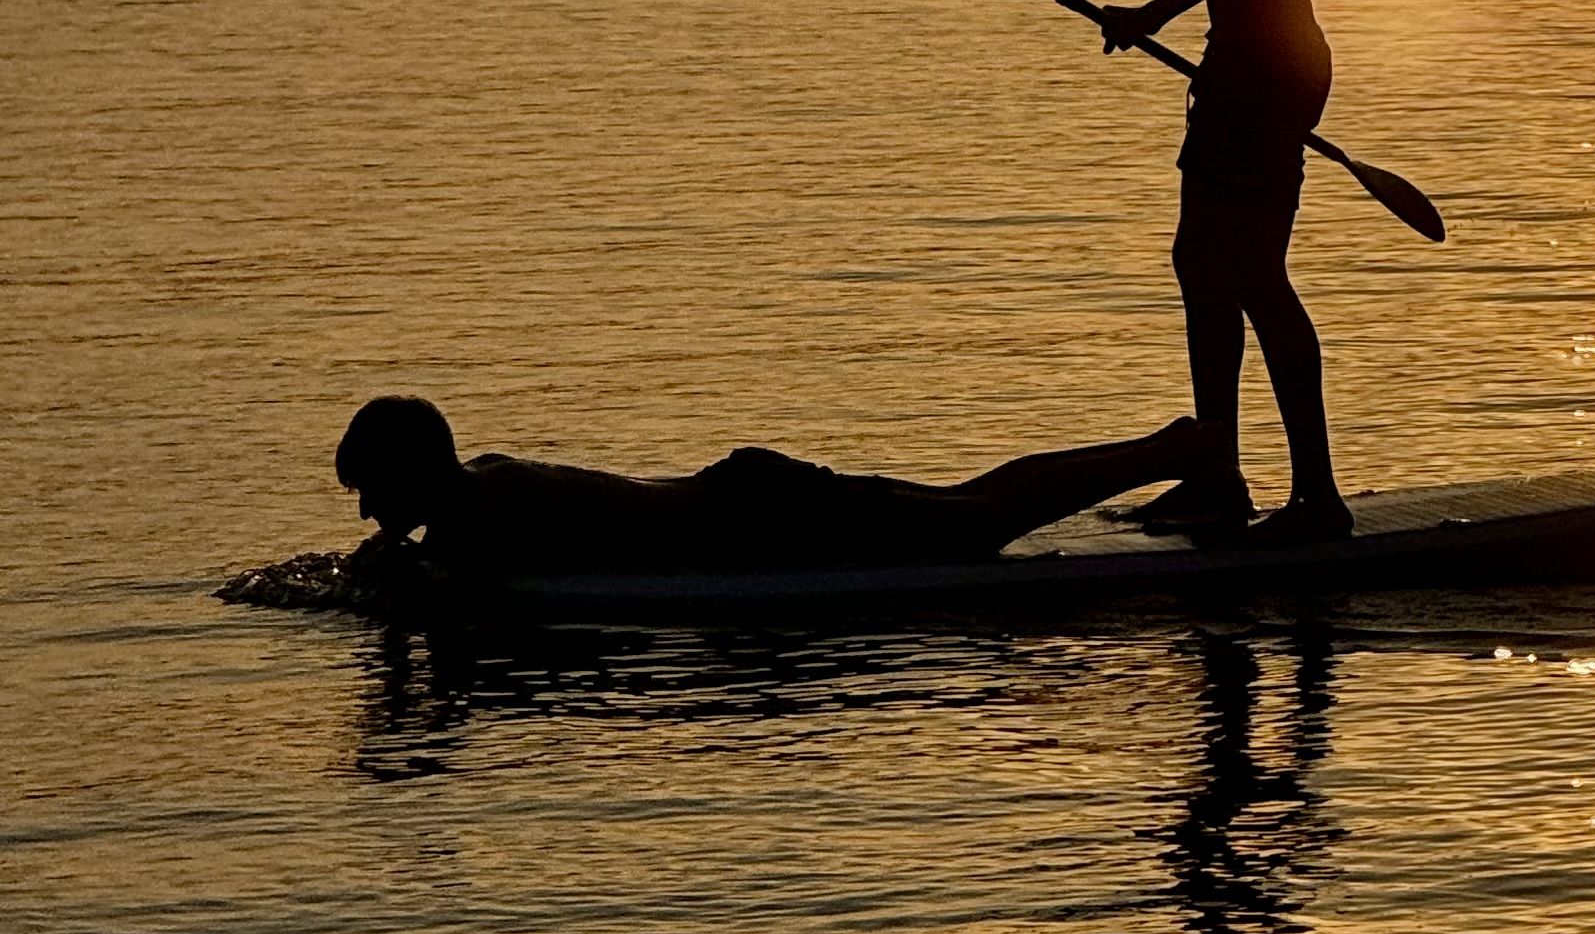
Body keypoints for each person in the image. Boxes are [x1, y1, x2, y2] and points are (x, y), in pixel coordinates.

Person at [948, 0, 1350, 546]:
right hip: (1252, 62)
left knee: (1248, 277)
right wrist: (1153, 16)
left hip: (1263, 71)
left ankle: (1317, 498)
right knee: (1201, 269)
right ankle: (1217, 475)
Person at [333, 392, 1232, 587]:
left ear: (414, 472)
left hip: (761, 515)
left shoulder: (481, 521)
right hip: (745, 497)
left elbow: (443, 589)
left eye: (372, 490)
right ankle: (1168, 448)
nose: (369, 511)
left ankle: (1173, 451)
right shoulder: (477, 481)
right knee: (972, 504)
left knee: (978, 526)